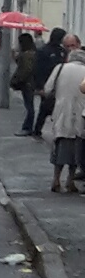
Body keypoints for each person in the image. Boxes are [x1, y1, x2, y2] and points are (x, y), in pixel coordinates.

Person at [51, 38, 85, 192]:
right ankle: (70, 181)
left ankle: (56, 178)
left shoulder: (60, 68)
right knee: (76, 151)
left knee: (58, 148)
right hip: (80, 114)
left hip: (61, 113)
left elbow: (47, 88)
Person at [13, 31, 39, 134]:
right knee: (30, 105)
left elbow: (25, 69)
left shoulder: (26, 54)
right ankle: (30, 127)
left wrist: (18, 80)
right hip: (32, 82)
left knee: (29, 106)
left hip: (28, 83)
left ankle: (27, 128)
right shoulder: (34, 52)